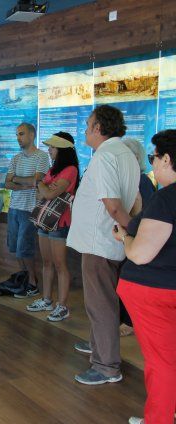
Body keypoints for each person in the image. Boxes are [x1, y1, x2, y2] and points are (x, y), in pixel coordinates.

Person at [67, 105, 140, 385]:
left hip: (100, 242)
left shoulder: (106, 155)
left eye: (88, 124)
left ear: (99, 128)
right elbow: (135, 203)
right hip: (108, 240)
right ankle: (99, 348)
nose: (85, 129)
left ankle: (106, 366)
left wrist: (133, 232)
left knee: (100, 304)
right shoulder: (126, 155)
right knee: (103, 302)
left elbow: (113, 206)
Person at [114, 130, 176, 424]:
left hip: (154, 291)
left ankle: (159, 421)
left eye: (154, 158)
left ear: (167, 159)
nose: (153, 164)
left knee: (162, 363)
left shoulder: (166, 199)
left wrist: (125, 238)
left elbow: (140, 254)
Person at [25, 132, 79, 321]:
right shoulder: (53, 169)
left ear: (62, 149)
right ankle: (46, 299)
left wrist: (40, 183)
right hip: (45, 221)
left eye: (52, 147)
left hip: (59, 222)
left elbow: (46, 193)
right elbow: (44, 193)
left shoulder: (70, 169)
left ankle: (62, 305)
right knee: (47, 262)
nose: (49, 150)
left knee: (60, 264)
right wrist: (44, 187)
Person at [4, 123, 50, 297]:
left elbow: (36, 181)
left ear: (32, 135)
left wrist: (17, 179)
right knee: (16, 248)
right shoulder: (15, 158)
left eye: (21, 134)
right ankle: (23, 279)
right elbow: (7, 183)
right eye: (17, 134)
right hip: (14, 207)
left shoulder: (42, 157)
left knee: (26, 248)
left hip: (30, 209)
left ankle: (33, 282)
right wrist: (24, 182)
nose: (18, 137)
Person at [119, 138, 157, 336]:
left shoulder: (142, 181)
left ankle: (129, 321)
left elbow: (146, 215)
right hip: (126, 237)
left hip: (135, 240)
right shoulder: (129, 179)